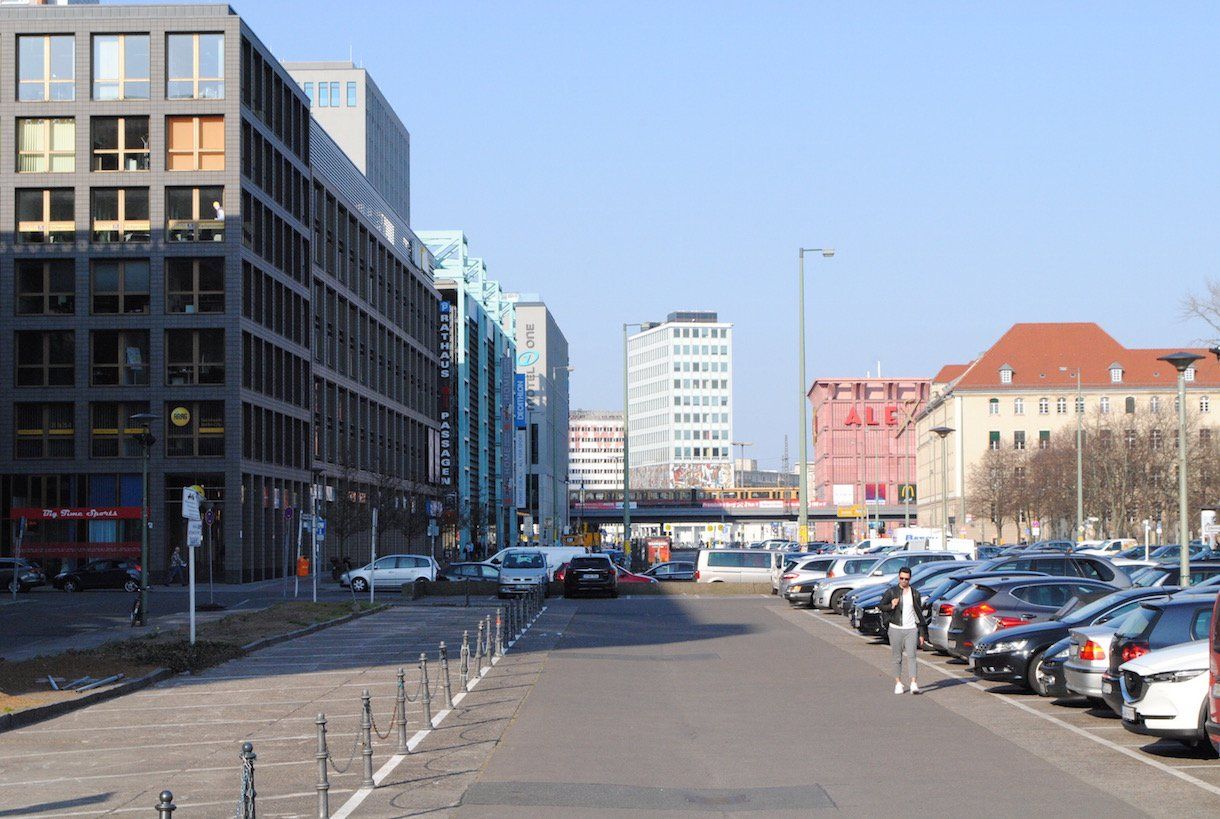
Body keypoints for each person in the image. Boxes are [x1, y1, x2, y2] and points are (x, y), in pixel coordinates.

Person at [879, 566, 928, 694]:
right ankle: (898, 683)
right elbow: (881, 606)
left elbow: (919, 613)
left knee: (912, 656)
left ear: (910, 579)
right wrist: (892, 605)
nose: (904, 581)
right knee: (897, 657)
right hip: (895, 628)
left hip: (911, 628)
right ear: (898, 578)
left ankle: (913, 683)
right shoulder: (891, 592)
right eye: (901, 578)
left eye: (906, 579)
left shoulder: (915, 593)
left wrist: (922, 633)